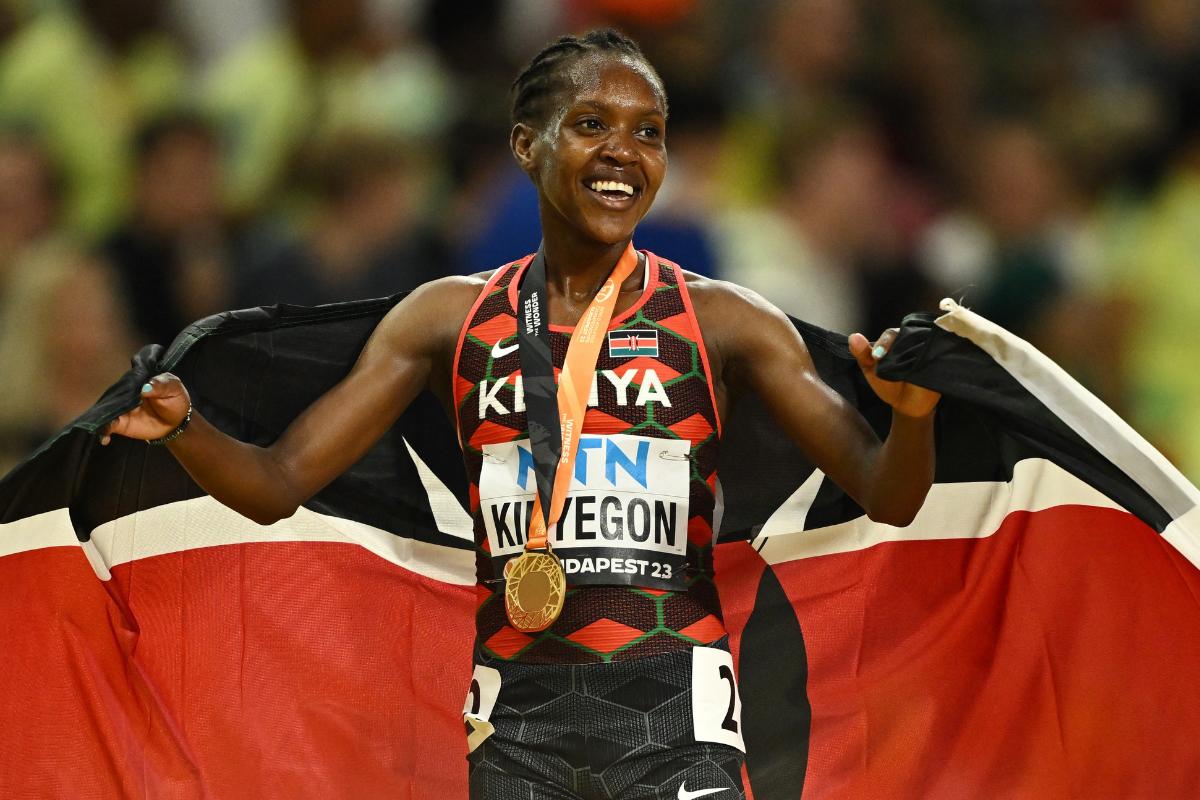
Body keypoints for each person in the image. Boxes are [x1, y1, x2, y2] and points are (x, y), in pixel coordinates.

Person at [103, 29, 939, 800]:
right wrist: (183, 427)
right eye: (591, 123)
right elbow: (278, 482)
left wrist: (912, 416)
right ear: (524, 146)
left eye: (648, 132)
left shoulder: (726, 322)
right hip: (515, 738)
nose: (623, 151)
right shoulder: (446, 320)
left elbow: (888, 494)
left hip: (682, 731)